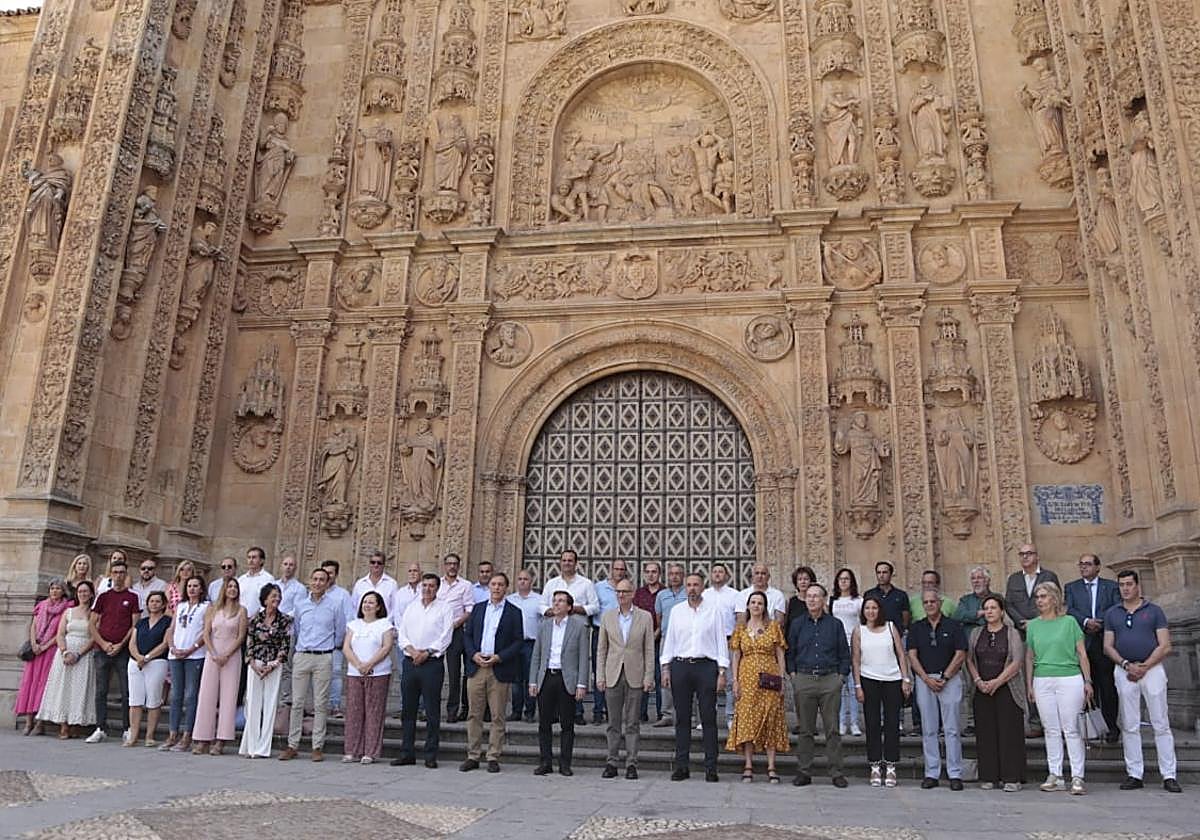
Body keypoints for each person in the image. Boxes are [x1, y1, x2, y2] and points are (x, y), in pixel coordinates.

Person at [1103, 570, 1183, 793]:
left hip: (1152, 669)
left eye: (1129, 584)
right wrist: (1127, 665)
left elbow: (1165, 644)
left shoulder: (1154, 611)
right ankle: (1134, 773)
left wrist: (1145, 666)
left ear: (1138, 586)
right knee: (1129, 723)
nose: (1125, 588)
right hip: (1124, 670)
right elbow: (1108, 645)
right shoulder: (1112, 613)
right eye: (1121, 585)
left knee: (1160, 722)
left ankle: (1169, 774)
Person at [1025, 581, 1091, 795]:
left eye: (1043, 596)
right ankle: (1055, 773)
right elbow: (1029, 656)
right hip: (1042, 678)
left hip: (1069, 677)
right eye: (1037, 597)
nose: (1039, 601)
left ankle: (1077, 775)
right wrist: (1029, 683)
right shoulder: (1033, 625)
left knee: (1071, 728)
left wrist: (1087, 680)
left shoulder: (1069, 622)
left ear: (1054, 598)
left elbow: (1081, 653)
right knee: (1050, 728)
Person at [662, 572, 728, 783]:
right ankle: (682, 766)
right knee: (681, 718)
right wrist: (665, 668)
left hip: (706, 667)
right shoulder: (676, 611)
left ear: (702, 587)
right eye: (689, 585)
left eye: (696, 585)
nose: (692, 588)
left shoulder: (714, 611)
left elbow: (721, 641)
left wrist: (722, 671)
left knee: (708, 718)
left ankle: (711, 767)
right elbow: (670, 639)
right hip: (681, 666)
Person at [786, 583, 850, 788]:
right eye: (809, 596)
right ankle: (804, 771)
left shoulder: (835, 624)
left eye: (816, 596)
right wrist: (794, 676)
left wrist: (840, 678)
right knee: (805, 729)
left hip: (829, 680)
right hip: (804, 679)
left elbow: (843, 653)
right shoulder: (797, 624)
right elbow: (791, 651)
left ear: (824, 600)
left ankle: (836, 771)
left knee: (832, 729)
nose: (812, 599)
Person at [461, 571, 524, 772]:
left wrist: (500, 657)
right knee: (474, 713)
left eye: (500, 585)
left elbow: (518, 641)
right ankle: (473, 755)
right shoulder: (478, 610)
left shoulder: (514, 612)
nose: (496, 588)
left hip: (499, 668)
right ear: (489, 587)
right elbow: (467, 636)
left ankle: (493, 755)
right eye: (494, 584)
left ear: (506, 588)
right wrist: (473, 655)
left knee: (497, 715)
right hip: (477, 667)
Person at [280, 567, 345, 762]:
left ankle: (317, 746)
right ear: (310, 581)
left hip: (323, 656)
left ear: (327, 583)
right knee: (297, 702)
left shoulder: (334, 605)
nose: (317, 583)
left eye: (321, 580)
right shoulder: (300, 605)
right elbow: (297, 629)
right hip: (302, 655)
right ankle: (293, 744)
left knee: (320, 703)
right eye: (314, 579)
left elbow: (339, 631)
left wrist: (328, 649)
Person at [907, 591, 968, 790]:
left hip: (948, 680)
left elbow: (961, 653)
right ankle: (931, 772)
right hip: (925, 681)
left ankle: (955, 773)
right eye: (926, 602)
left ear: (940, 603)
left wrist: (945, 677)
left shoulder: (954, 626)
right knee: (929, 728)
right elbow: (912, 655)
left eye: (933, 601)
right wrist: (925, 678)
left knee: (951, 729)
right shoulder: (917, 627)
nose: (930, 605)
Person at [966, 594, 1027, 792]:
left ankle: (1012, 777)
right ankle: (989, 776)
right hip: (981, 688)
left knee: (1009, 732)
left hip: (1006, 688)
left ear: (1001, 611)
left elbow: (1017, 661)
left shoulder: (1012, 633)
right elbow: (969, 659)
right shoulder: (976, 633)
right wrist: (978, 680)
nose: (989, 611)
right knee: (986, 733)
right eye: (986, 608)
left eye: (993, 608)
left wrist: (997, 682)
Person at [596, 576, 655, 779]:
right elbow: (602, 649)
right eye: (618, 592)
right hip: (613, 673)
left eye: (625, 592)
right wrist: (600, 675)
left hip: (635, 674)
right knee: (613, 722)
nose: (621, 595)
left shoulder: (645, 617)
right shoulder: (608, 617)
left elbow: (649, 649)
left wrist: (649, 676)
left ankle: (631, 763)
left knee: (632, 722)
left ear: (632, 594)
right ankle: (612, 761)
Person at [726, 590, 787, 783]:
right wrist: (735, 680)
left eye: (760, 603)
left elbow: (780, 654)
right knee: (747, 719)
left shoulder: (773, 627)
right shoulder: (740, 629)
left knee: (770, 718)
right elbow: (736, 655)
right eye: (753, 602)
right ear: (748, 606)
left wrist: (782, 679)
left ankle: (771, 766)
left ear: (764, 606)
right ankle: (748, 764)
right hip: (747, 678)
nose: (756, 606)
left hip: (769, 677)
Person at [393, 573, 453, 768]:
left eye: (431, 586)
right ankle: (407, 752)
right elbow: (402, 633)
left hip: (431, 664)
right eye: (424, 585)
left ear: (437, 588)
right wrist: (411, 650)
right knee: (408, 710)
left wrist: (426, 652)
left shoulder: (445, 608)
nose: (427, 589)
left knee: (432, 710)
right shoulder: (412, 607)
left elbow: (445, 637)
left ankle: (430, 754)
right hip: (411, 662)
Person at [852, 593, 911, 788]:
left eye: (874, 608)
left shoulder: (891, 627)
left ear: (880, 610)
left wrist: (905, 678)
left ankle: (891, 765)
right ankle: (875, 765)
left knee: (893, 723)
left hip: (892, 679)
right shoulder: (859, 631)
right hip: (869, 679)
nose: (871, 611)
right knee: (872, 723)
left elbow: (901, 654)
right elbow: (856, 660)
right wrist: (858, 685)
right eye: (867, 608)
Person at [530, 590, 590, 776]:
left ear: (569, 607)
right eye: (554, 601)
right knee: (544, 723)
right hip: (547, 676)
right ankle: (545, 761)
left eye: (561, 601)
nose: (556, 604)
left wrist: (582, 684)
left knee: (567, 723)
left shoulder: (579, 627)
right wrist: (533, 680)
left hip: (567, 678)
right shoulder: (544, 626)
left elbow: (583, 657)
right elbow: (537, 655)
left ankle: (565, 763)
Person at [1065, 553, 1121, 743]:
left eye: (1088, 564)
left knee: (1107, 686)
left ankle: (1111, 726)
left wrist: (1100, 622)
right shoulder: (1071, 587)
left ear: (1098, 567)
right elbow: (1070, 610)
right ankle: (1092, 728)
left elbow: (1116, 607)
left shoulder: (1111, 586)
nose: (1084, 568)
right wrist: (1087, 621)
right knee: (1087, 686)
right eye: (1081, 564)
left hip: (1104, 641)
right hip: (1083, 641)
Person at [542, 550, 600, 725]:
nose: (567, 563)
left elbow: (595, 607)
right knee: (554, 668)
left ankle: (577, 711)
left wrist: (576, 609)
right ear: (560, 562)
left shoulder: (586, 584)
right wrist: (551, 611)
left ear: (576, 563)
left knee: (576, 669)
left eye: (570, 560)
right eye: (564, 560)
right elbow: (542, 605)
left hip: (577, 632)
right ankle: (553, 711)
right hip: (555, 630)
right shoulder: (552, 583)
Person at [87, 556, 140, 744]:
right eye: (115, 573)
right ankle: (100, 727)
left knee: (126, 690)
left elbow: (134, 625)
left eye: (122, 573)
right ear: (111, 574)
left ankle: (127, 727)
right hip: (102, 648)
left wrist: (120, 645)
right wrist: (102, 643)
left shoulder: (133, 597)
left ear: (126, 575)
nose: (118, 576)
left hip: (123, 650)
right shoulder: (103, 597)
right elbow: (92, 623)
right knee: (101, 690)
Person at [192, 577, 247, 755]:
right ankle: (203, 738)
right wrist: (214, 653)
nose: (232, 589)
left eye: (235, 587)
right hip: (213, 655)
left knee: (228, 698)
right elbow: (206, 634)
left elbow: (241, 636)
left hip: (231, 656)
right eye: (229, 586)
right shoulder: (213, 609)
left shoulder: (242, 611)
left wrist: (227, 654)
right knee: (207, 696)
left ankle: (221, 740)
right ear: (224, 589)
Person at [38, 579, 97, 739]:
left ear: (91, 594)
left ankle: (75, 723)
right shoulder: (69, 611)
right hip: (65, 651)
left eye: (86, 591)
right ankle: (63, 725)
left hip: (83, 653)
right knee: (63, 687)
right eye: (80, 591)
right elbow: (60, 633)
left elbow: (94, 637)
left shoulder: (94, 613)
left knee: (79, 688)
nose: (83, 594)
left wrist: (78, 654)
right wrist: (65, 651)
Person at [239, 583, 291, 758]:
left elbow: (285, 645)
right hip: (256, 664)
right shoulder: (255, 619)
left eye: (278, 596)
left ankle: (262, 748)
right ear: (265, 599)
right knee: (253, 704)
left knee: (270, 706)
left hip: (273, 665)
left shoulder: (285, 620)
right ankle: (251, 745)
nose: (276, 599)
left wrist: (273, 664)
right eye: (273, 596)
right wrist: (253, 663)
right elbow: (249, 643)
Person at [342, 591, 395, 764]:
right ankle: (352, 750)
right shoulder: (353, 625)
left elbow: (386, 647)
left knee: (374, 712)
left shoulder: (384, 625)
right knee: (354, 711)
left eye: (371, 602)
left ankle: (370, 751)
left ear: (379, 606)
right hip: (355, 672)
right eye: (365, 602)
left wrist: (369, 664)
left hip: (378, 673)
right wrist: (358, 664)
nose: (367, 605)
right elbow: (347, 648)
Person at [16, 578, 72, 736]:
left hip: (51, 650)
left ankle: (40, 722)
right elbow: (33, 625)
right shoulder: (41, 605)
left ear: (63, 591)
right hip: (35, 650)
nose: (54, 591)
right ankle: (28, 721)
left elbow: (62, 631)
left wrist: (46, 646)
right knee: (30, 683)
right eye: (52, 588)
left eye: (58, 589)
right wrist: (34, 644)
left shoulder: (66, 608)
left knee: (44, 685)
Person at [162, 575, 207, 753]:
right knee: (176, 695)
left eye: (196, 586)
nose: (192, 589)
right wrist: (172, 646)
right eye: (189, 586)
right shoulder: (180, 606)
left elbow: (206, 631)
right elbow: (171, 629)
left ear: (201, 589)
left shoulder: (206, 607)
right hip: (176, 654)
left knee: (190, 695)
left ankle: (188, 733)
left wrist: (191, 649)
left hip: (194, 655)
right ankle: (173, 733)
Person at [125, 591, 172, 747]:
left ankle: (149, 735)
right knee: (135, 700)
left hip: (156, 662)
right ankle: (133, 734)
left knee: (153, 699)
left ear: (164, 604)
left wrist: (147, 658)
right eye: (152, 601)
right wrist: (138, 657)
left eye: (158, 601)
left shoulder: (167, 621)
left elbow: (165, 643)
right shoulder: (141, 622)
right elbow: (132, 642)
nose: (154, 604)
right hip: (136, 662)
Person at [437, 553, 474, 723]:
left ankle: (454, 710)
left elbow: (469, 609)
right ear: (444, 565)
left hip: (456, 631)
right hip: (437, 631)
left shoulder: (465, 585)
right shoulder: (437, 584)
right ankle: (431, 708)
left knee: (455, 673)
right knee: (434, 670)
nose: (452, 566)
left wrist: (458, 623)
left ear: (459, 566)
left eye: (455, 564)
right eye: (449, 563)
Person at [703, 563, 740, 725]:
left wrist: (735, 638)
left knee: (731, 679)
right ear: (711, 575)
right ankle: (708, 715)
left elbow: (740, 618)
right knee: (707, 680)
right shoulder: (704, 594)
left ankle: (731, 715)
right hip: (709, 643)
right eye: (715, 572)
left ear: (727, 575)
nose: (718, 574)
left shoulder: (735, 595)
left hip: (728, 641)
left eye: (721, 572)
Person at [589, 560, 626, 724]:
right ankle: (598, 711)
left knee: (616, 673)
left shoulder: (626, 588)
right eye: (616, 569)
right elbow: (593, 607)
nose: (618, 572)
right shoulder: (598, 588)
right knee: (599, 672)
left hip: (620, 635)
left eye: (622, 569)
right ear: (611, 570)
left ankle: (612, 712)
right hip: (601, 632)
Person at [652, 563, 688, 727]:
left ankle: (689, 714)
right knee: (665, 676)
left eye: (678, 574)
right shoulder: (661, 595)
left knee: (687, 677)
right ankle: (666, 714)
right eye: (671, 574)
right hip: (667, 639)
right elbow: (659, 618)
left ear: (683, 576)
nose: (674, 576)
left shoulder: (689, 593)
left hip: (686, 638)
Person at [829, 568, 863, 736]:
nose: (843, 582)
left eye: (847, 579)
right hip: (837, 644)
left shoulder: (858, 601)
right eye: (841, 579)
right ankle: (842, 722)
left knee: (854, 684)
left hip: (854, 643)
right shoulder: (832, 601)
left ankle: (855, 722)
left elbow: (863, 622)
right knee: (840, 686)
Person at [319, 559, 355, 718]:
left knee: (335, 673)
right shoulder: (315, 593)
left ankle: (335, 705)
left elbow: (349, 619)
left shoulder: (342, 595)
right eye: (324, 572)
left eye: (330, 573)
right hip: (317, 643)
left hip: (335, 643)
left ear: (336, 575)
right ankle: (319, 705)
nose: (327, 576)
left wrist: (343, 641)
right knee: (318, 675)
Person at [506, 568, 542, 722]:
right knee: (515, 679)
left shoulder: (539, 600)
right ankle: (516, 711)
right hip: (514, 644)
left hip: (531, 643)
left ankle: (530, 712)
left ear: (531, 581)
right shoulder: (510, 600)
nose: (522, 582)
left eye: (525, 579)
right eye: (520, 579)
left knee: (530, 678)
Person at [633, 560, 664, 722]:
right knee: (641, 676)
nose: (651, 575)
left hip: (660, 640)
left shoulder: (665, 593)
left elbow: (664, 618)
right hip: (641, 640)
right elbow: (635, 615)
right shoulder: (639, 593)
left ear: (659, 574)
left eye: (654, 572)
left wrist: (656, 634)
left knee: (659, 677)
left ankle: (661, 713)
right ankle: (641, 713)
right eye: (648, 572)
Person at [863, 560, 910, 629]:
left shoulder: (901, 595)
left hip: (896, 635)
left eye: (884, 572)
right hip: (875, 634)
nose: (881, 575)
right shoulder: (869, 594)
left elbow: (905, 618)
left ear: (891, 574)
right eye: (879, 572)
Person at [739, 562, 787, 626]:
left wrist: (765, 633)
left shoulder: (778, 595)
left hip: (770, 633)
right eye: (757, 573)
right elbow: (741, 620)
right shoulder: (742, 595)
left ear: (768, 577)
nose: (760, 576)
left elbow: (780, 621)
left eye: (763, 573)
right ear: (752, 576)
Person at [238, 546, 274, 618]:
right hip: (240, 619)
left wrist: (256, 617)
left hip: (259, 619)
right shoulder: (241, 579)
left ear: (261, 561)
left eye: (254, 557)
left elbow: (269, 601)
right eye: (249, 557)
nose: (251, 560)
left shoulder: (268, 579)